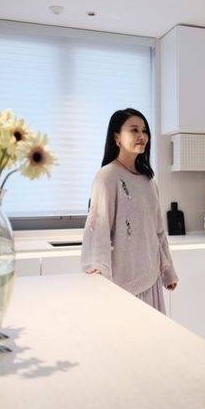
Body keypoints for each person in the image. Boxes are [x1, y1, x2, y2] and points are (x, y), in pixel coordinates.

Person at [81, 108, 178, 314]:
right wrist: (98, 272)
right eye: (134, 130)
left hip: (150, 278)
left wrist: (168, 271)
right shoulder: (106, 177)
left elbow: (158, 231)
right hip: (123, 284)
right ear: (117, 137)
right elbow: (98, 227)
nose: (142, 136)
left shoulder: (148, 180)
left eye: (144, 130)